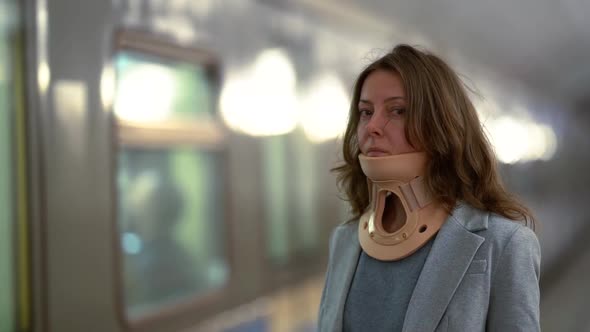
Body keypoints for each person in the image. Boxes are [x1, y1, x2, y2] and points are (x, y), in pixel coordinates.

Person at [318, 45, 540, 332]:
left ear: (440, 124)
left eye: (397, 111)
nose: (372, 126)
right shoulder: (346, 241)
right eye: (365, 111)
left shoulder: (505, 243)